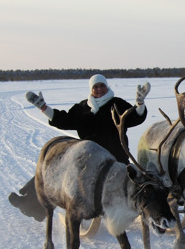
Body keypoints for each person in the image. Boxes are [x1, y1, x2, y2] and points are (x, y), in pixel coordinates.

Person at [8, 74, 151, 221]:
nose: (99, 89)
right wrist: (44, 107)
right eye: (96, 87)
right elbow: (64, 120)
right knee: (56, 170)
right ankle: (30, 203)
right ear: (91, 89)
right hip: (88, 157)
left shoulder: (117, 104)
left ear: (106, 86)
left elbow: (134, 117)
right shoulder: (82, 107)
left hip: (115, 156)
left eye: (102, 85)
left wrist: (139, 104)